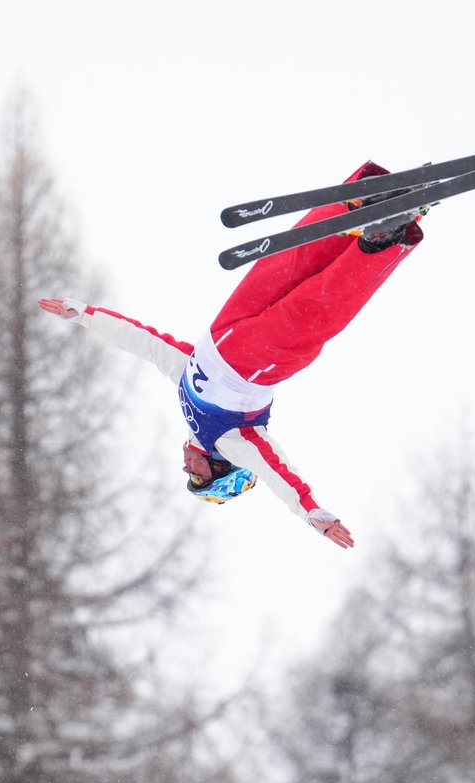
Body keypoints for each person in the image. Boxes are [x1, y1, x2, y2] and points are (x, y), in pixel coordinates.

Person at [38, 160, 426, 550]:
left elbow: (146, 342)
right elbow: (276, 470)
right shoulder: (233, 442)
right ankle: (382, 240)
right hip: (258, 364)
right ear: (223, 471)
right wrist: (311, 511)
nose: (187, 468)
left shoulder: (187, 399)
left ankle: (357, 200)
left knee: (288, 260)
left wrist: (86, 315)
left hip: (226, 330)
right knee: (318, 304)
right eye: (198, 477)